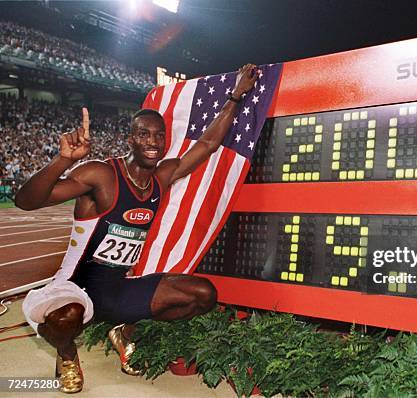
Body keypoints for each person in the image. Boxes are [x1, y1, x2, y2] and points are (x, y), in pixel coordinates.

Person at [16, 64, 259, 393]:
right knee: (66, 317)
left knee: (203, 295)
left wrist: (235, 95)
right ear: (130, 139)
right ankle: (67, 354)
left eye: (159, 135)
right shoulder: (101, 175)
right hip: (76, 289)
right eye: (144, 134)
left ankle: (125, 332)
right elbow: (26, 202)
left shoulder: (161, 177)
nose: (153, 141)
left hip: (118, 290)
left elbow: (207, 144)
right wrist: (63, 161)